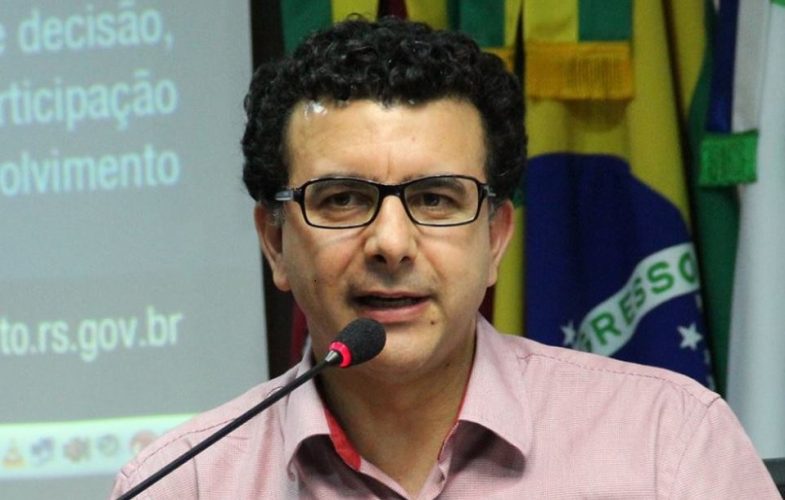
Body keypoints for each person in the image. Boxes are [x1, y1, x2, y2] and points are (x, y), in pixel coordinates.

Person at [111, 17, 779, 499]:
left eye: (434, 198)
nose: (391, 243)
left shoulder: (667, 445)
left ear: (495, 238)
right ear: (275, 243)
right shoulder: (186, 483)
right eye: (342, 199)